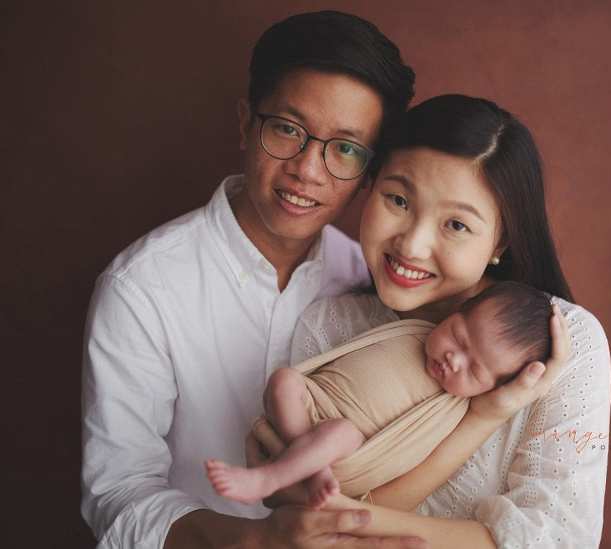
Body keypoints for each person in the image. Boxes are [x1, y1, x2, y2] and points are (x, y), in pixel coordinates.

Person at [81, 11, 427, 549]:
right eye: (288, 130)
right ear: (246, 122)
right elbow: (118, 494)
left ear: (369, 171)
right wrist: (257, 541)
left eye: (345, 149)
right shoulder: (141, 286)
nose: (308, 170)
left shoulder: (374, 281)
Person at [254, 94, 611, 548]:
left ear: (502, 240)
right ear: (371, 185)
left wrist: (487, 416)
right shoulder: (329, 325)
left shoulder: (561, 343)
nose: (413, 245)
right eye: (398, 199)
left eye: (456, 225)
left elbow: (558, 538)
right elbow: (311, 514)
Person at [206, 281, 553, 509]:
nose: (453, 359)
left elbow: (406, 453)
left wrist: (500, 404)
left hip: (349, 443)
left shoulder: (449, 409)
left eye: (474, 370)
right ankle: (308, 463)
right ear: (455, 313)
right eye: (458, 336)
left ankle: (268, 478)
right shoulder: (413, 332)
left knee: (339, 433)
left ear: (493, 387)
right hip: (312, 402)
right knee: (283, 381)